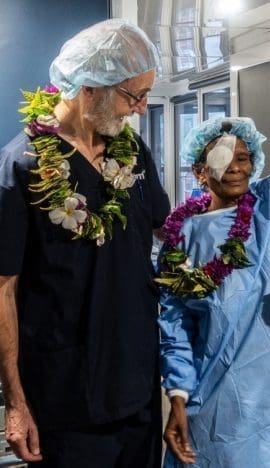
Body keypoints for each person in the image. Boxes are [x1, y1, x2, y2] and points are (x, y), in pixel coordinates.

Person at [0, 19, 170, 467]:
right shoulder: (22, 166)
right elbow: (3, 289)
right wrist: (15, 403)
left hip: (137, 384)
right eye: (134, 95)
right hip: (67, 395)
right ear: (90, 88)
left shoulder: (132, 152)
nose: (141, 108)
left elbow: (166, 230)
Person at [157, 117, 270, 467]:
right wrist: (178, 395)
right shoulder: (182, 238)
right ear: (200, 172)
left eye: (243, 158)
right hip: (211, 394)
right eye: (222, 158)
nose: (235, 167)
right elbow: (175, 325)